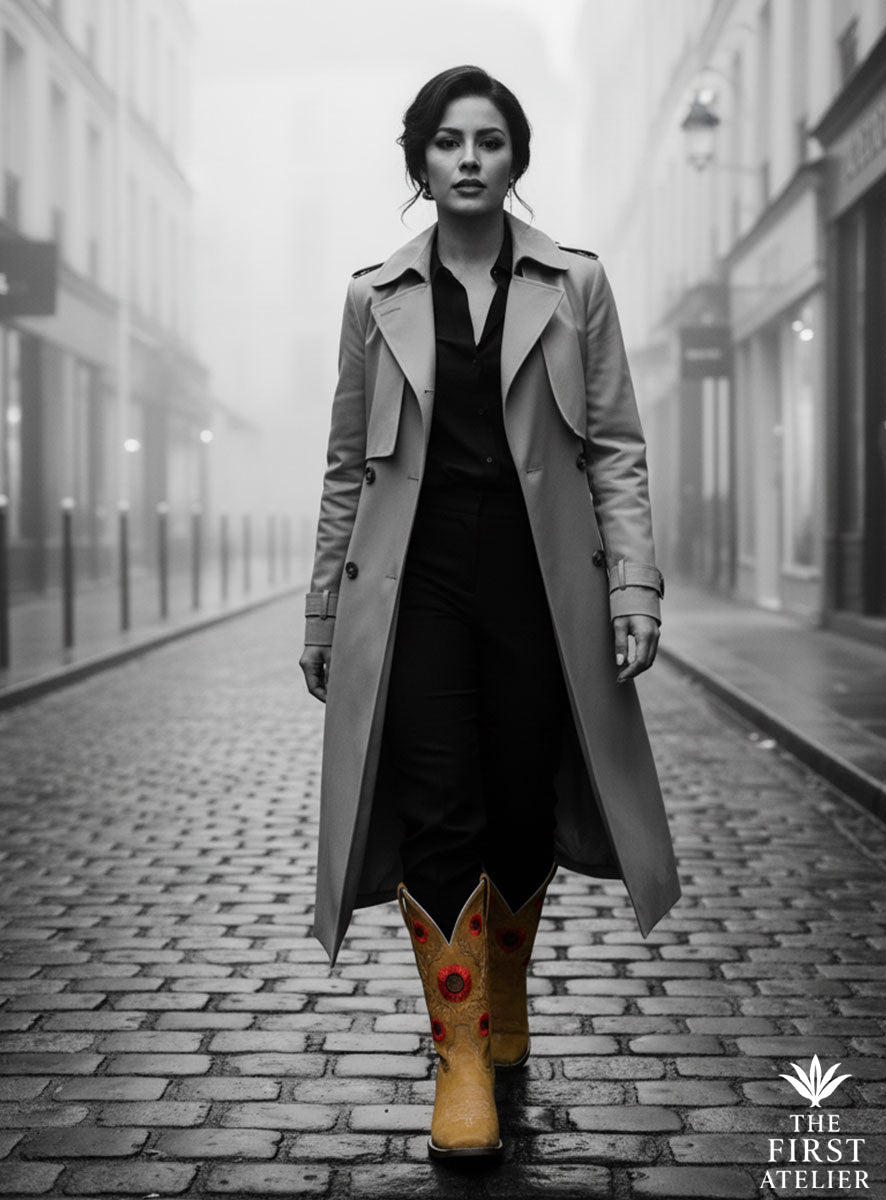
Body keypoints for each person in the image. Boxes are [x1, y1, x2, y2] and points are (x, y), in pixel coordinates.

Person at [300, 65, 681, 1161]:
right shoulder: (374, 297)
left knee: (521, 794)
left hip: (538, 583)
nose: (469, 159)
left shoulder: (577, 286)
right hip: (414, 588)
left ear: (517, 160)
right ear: (419, 161)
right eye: (448, 142)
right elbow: (343, 468)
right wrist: (325, 614)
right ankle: (460, 1053)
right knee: (438, 803)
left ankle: (505, 995)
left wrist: (634, 585)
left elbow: (615, 448)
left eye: (491, 141)